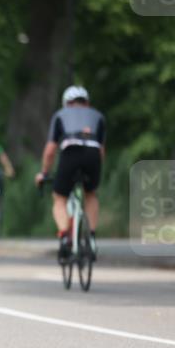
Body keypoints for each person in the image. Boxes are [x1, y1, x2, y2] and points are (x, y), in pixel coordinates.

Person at [35, 85, 105, 260]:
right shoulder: (98, 116)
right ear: (87, 102)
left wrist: (44, 173)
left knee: (59, 198)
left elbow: (50, 150)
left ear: (67, 103)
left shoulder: (60, 114)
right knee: (91, 194)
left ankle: (66, 237)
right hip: (93, 154)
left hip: (71, 153)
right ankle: (92, 239)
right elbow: (101, 152)